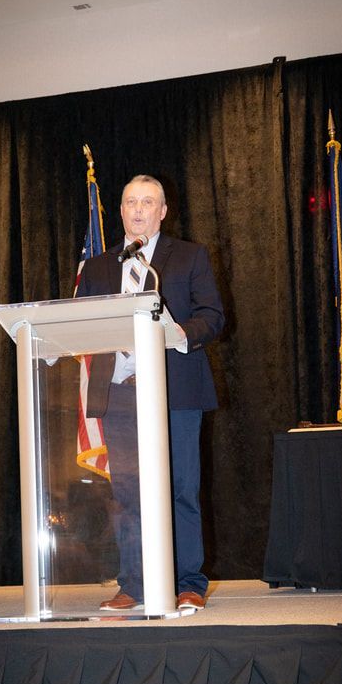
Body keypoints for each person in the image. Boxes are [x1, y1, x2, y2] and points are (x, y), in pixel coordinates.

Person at [76, 175, 224, 611]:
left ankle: (188, 583)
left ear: (163, 211)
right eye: (130, 203)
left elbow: (212, 315)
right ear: (120, 211)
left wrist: (179, 333)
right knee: (128, 493)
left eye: (148, 203)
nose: (138, 210)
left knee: (180, 488)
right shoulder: (99, 267)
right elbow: (81, 322)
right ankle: (135, 584)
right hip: (121, 394)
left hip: (174, 391)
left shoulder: (189, 257)